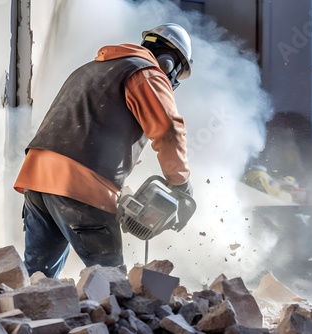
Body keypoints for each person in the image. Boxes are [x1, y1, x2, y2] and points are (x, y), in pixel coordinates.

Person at [14, 23, 194, 278]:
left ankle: (24, 315)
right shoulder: (148, 73)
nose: (173, 81)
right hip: (80, 186)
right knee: (112, 283)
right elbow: (168, 131)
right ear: (168, 62)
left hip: (37, 178)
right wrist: (182, 184)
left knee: (38, 278)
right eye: (177, 73)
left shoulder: (90, 69)